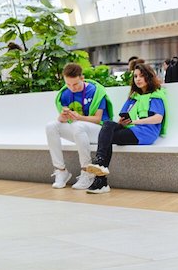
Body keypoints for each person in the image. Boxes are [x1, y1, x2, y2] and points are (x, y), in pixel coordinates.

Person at [85, 63, 168, 194]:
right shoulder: (133, 97)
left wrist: (135, 121)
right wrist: (122, 122)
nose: (138, 79)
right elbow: (124, 117)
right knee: (108, 125)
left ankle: (101, 179)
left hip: (145, 133)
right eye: (135, 76)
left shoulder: (155, 96)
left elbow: (158, 118)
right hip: (131, 128)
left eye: (141, 76)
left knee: (107, 138)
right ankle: (100, 163)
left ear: (149, 77)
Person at [46, 63, 113, 189]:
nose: (72, 88)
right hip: (79, 131)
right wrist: (62, 117)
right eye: (68, 84)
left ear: (82, 78)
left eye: (75, 84)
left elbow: (98, 119)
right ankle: (61, 171)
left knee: (78, 126)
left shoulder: (95, 91)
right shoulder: (65, 94)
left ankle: (87, 171)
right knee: (51, 126)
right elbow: (65, 119)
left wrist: (79, 117)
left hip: (99, 132)